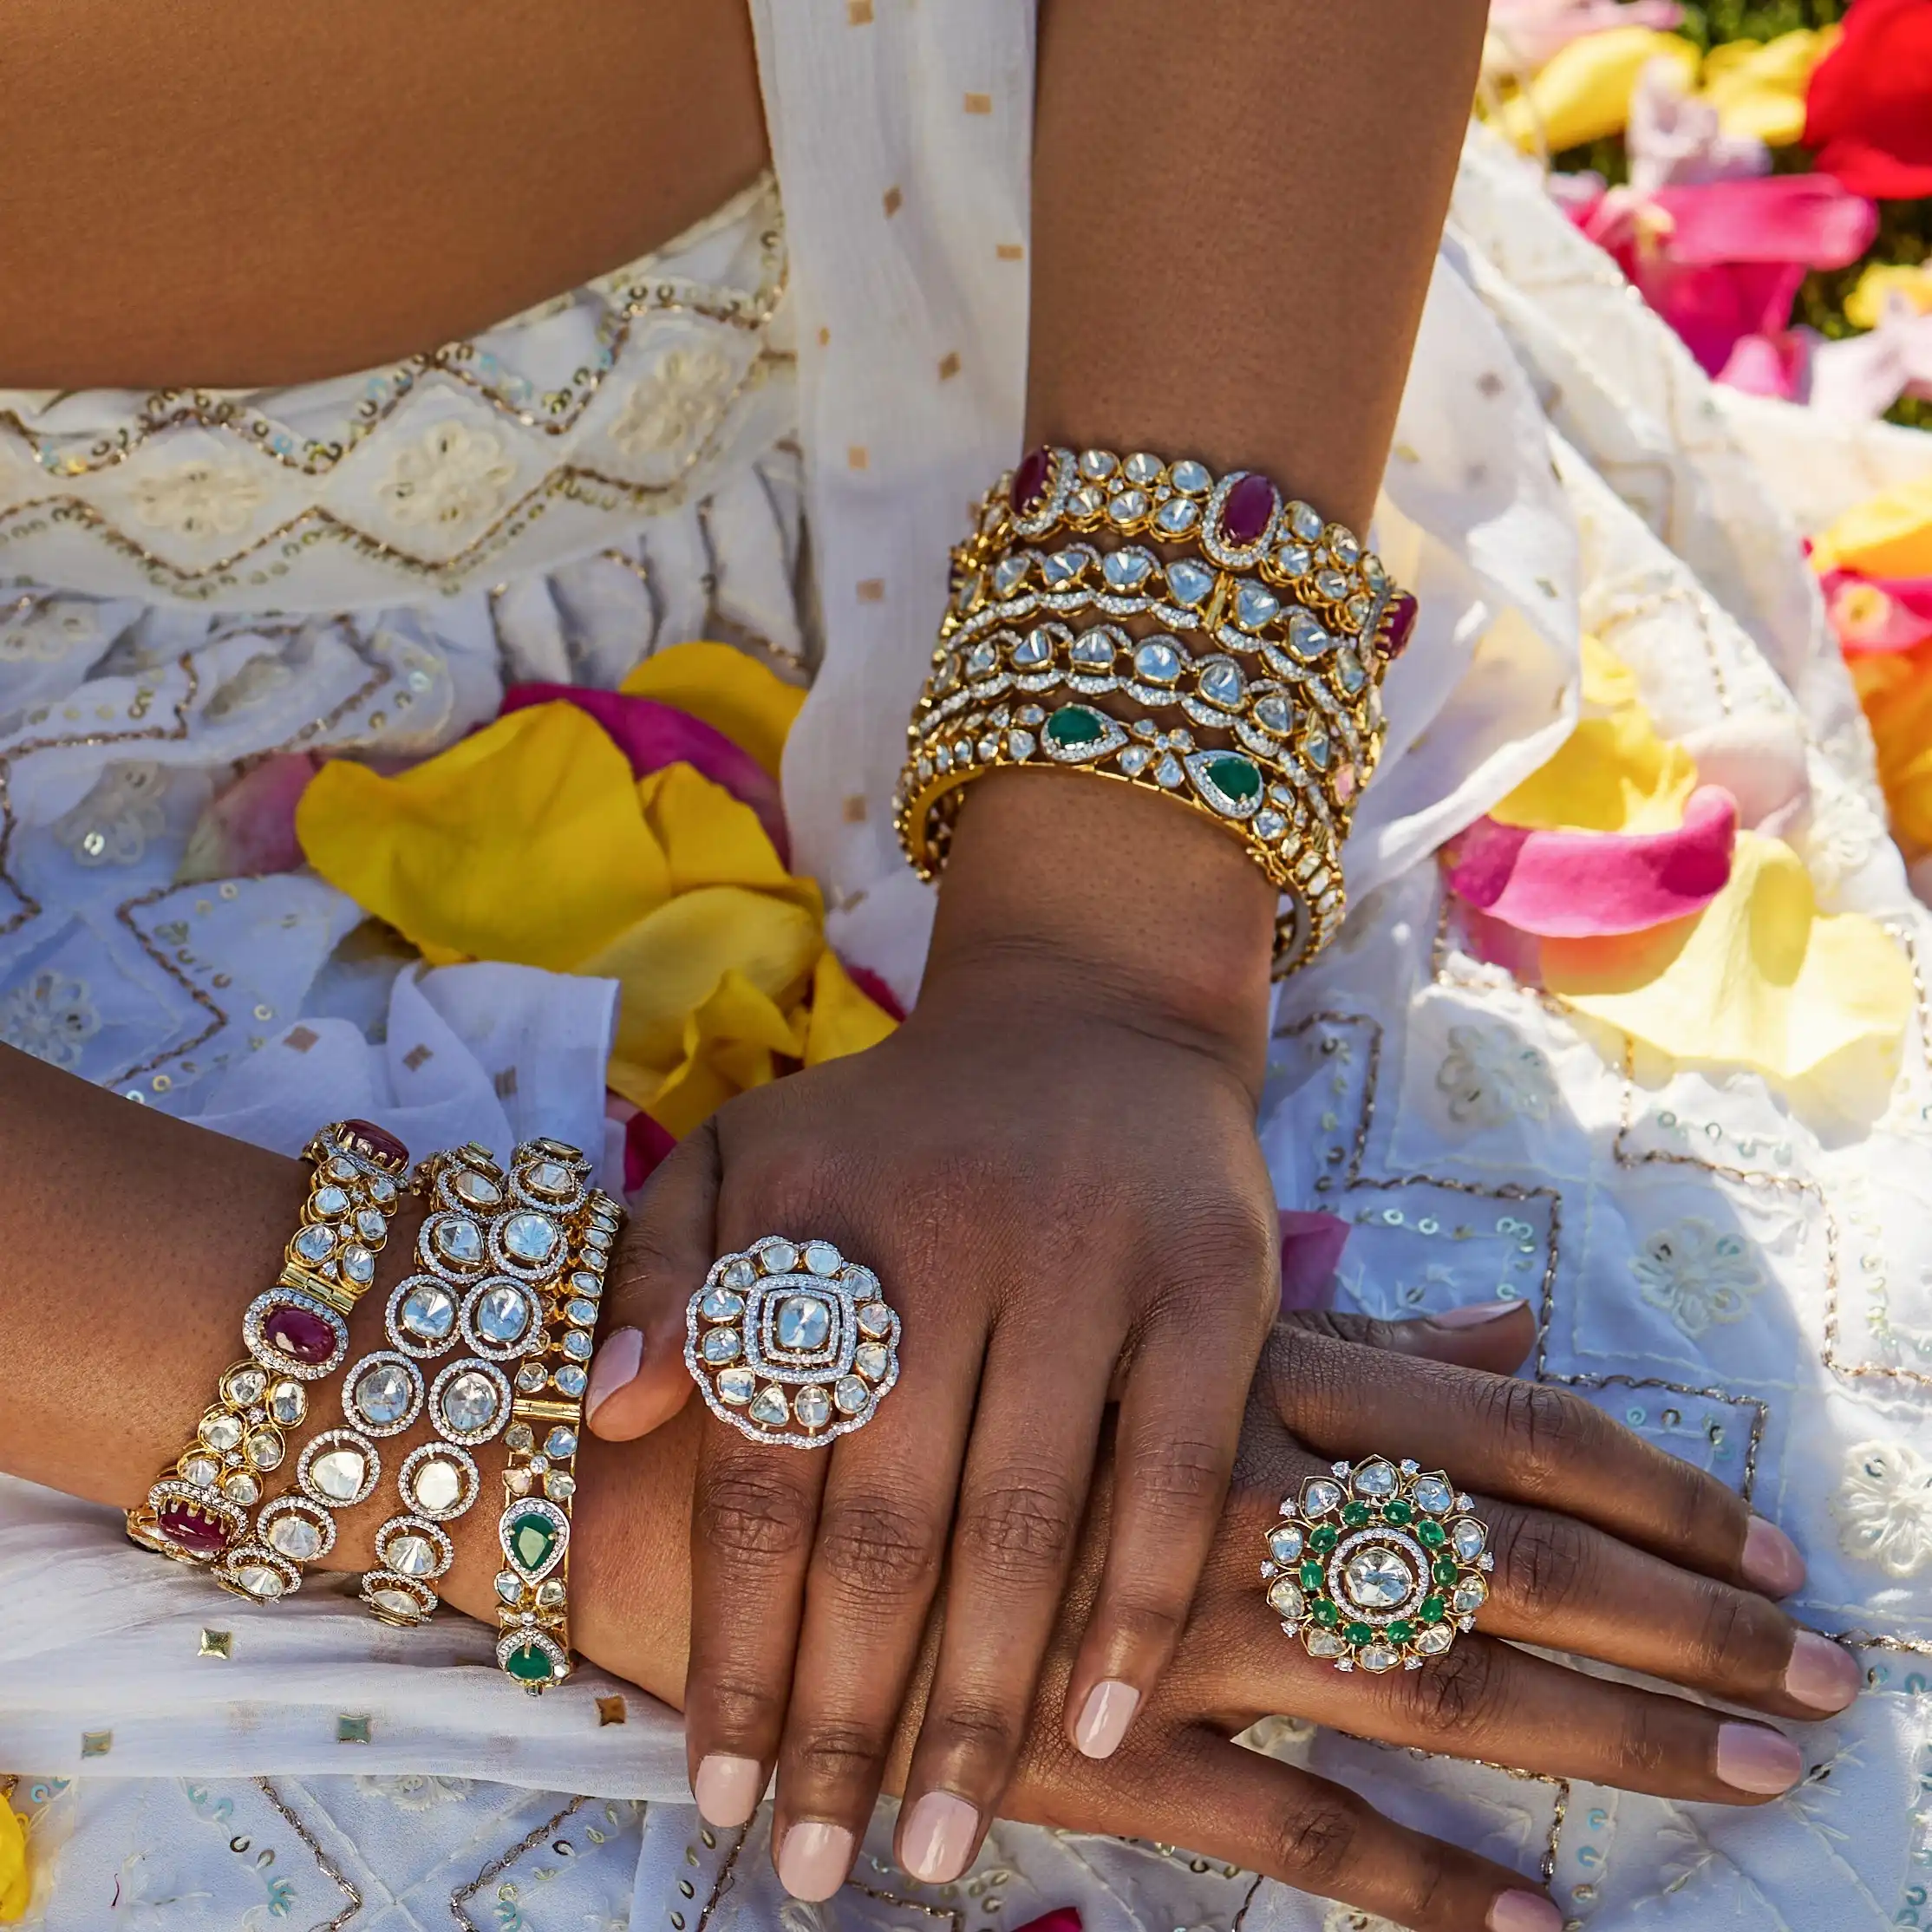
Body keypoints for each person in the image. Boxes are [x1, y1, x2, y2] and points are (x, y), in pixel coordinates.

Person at [0, 4, 1916, 1930]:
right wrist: (484, 1422)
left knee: (1785, 1681)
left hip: (1108, 397)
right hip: (89, 1159)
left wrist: (1117, 942)